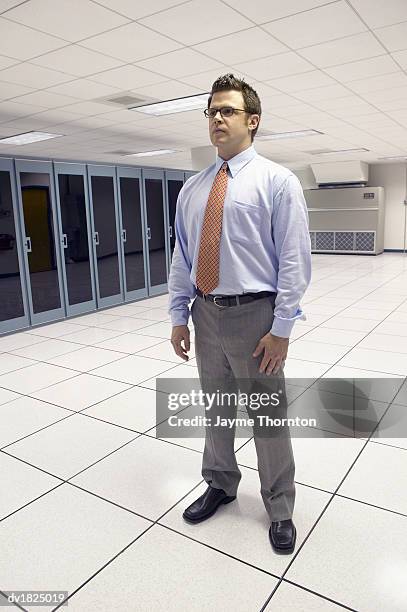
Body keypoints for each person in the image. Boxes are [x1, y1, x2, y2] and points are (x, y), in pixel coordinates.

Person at [167, 73, 311, 554]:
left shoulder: (277, 182)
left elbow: (294, 261)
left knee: (267, 416)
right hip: (206, 314)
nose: (217, 119)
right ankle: (221, 483)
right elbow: (182, 257)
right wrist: (178, 315)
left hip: (257, 319)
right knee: (217, 409)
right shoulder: (192, 189)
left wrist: (283, 328)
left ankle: (280, 506)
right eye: (211, 111)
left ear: (252, 121)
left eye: (227, 111)